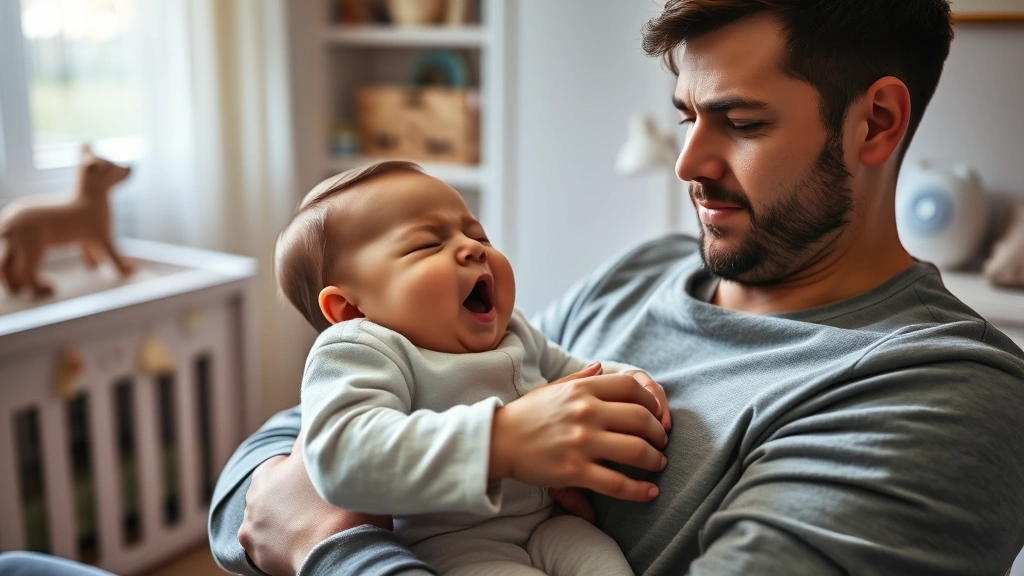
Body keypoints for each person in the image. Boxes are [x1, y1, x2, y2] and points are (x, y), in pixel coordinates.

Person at [211, 1, 1024, 575]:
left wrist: (329, 548)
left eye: (742, 122)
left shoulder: (941, 392)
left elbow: (286, 511)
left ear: (875, 122)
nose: (688, 162)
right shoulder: (640, 274)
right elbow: (267, 468)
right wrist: (290, 507)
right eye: (687, 115)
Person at [273, 160, 671, 575]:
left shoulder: (514, 330)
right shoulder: (362, 349)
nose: (474, 248)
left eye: (478, 235)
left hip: (551, 524)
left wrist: (627, 378)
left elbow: (576, 373)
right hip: (453, 546)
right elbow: (343, 457)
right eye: (426, 244)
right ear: (351, 309)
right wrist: (500, 441)